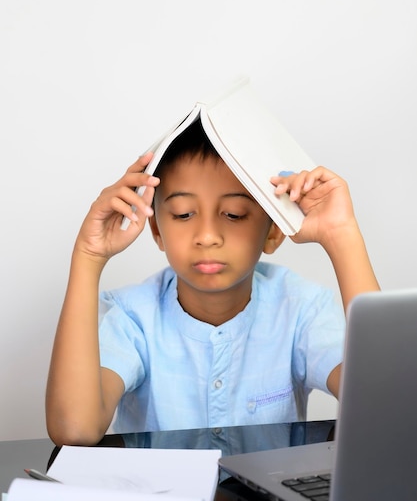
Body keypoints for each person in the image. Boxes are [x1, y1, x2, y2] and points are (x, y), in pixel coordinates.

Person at [46, 121, 379, 446]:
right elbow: (75, 430)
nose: (206, 236)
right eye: (183, 214)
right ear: (157, 230)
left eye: (234, 214)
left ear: (275, 230)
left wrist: (341, 235)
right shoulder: (132, 317)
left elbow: (387, 406)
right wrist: (88, 257)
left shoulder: (301, 308)